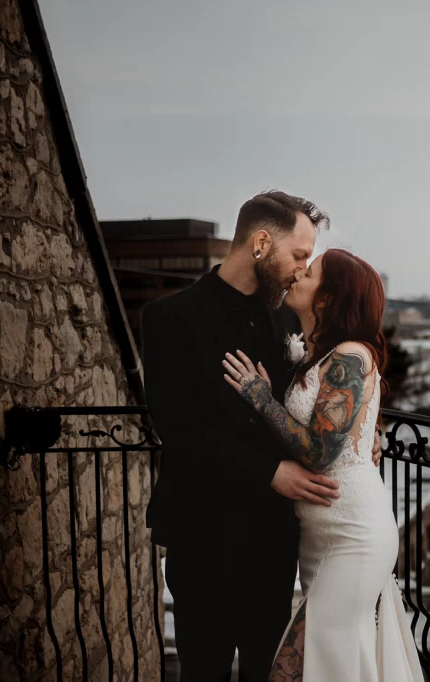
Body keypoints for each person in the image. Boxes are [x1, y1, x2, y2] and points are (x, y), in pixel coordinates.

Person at [142, 191, 381, 681]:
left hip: (273, 541)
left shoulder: (289, 318)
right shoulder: (170, 318)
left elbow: (329, 392)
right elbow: (178, 428)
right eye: (298, 255)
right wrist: (270, 472)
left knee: (267, 671)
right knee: (203, 669)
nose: (301, 269)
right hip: (202, 532)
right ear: (261, 243)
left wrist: (363, 430)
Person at [222, 248, 424, 681]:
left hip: (353, 534)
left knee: (302, 663)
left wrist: (260, 397)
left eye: (309, 271)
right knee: (332, 663)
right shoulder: (318, 355)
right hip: (320, 537)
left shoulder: (350, 355)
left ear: (328, 297)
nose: (298, 273)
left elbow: (318, 451)